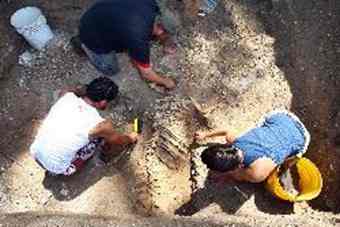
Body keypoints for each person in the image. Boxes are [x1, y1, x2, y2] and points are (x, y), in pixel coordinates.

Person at [30, 77, 138, 176]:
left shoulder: (67, 95)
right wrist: (131, 137)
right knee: (100, 139)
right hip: (57, 167)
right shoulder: (101, 125)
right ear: (103, 102)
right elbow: (119, 141)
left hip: (35, 151)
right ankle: (103, 158)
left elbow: (74, 89)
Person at [73, 0, 176, 89]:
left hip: (99, 12)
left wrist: (165, 40)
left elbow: (160, 30)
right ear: (159, 26)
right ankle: (82, 44)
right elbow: (146, 73)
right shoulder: (138, 37)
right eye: (163, 33)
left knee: (128, 37)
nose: (163, 35)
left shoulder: (151, 4)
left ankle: (116, 34)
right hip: (90, 32)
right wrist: (166, 82)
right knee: (111, 69)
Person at [194, 111, 310, 183]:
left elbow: (239, 176)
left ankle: (285, 165)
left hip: (301, 139)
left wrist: (227, 176)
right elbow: (226, 131)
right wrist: (206, 135)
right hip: (284, 118)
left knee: (287, 160)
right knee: (258, 131)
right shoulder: (236, 139)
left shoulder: (256, 174)